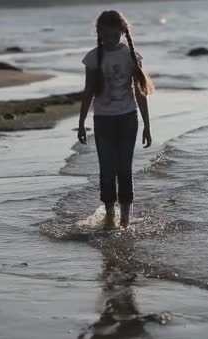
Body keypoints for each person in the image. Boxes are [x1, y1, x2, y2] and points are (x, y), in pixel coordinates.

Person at [77, 10, 154, 229]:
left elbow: (140, 93)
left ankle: (125, 221)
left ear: (122, 32)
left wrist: (147, 126)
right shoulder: (93, 58)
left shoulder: (131, 55)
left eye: (115, 36)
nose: (111, 41)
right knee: (107, 169)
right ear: (99, 33)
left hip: (128, 119)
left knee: (124, 169)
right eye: (106, 36)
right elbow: (88, 92)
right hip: (103, 121)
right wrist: (82, 123)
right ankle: (110, 216)